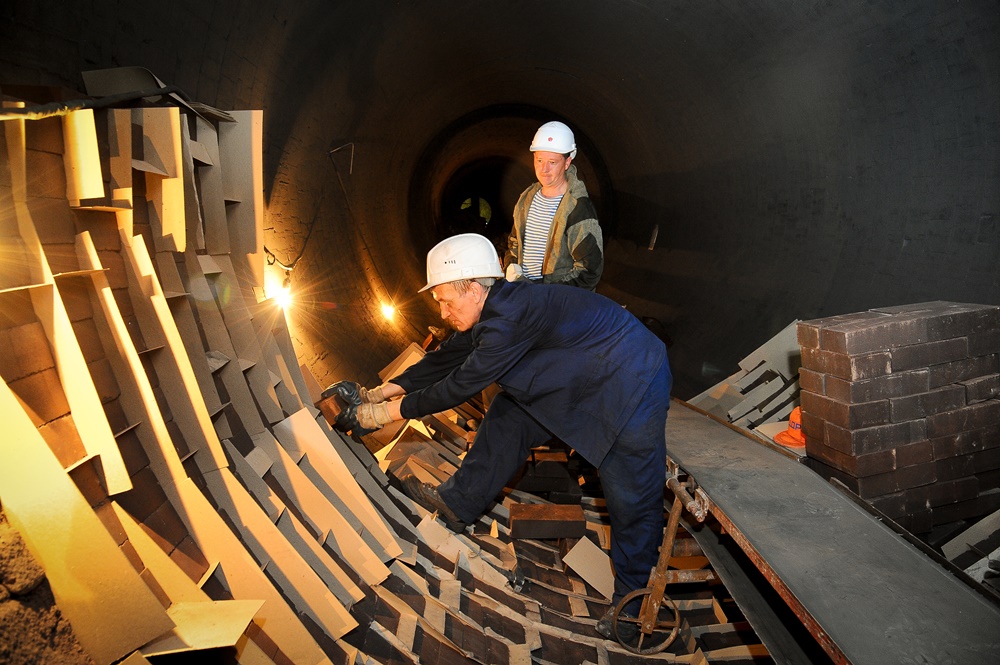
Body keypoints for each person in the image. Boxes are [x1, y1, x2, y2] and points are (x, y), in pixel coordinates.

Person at [335, 233, 671, 641]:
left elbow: (460, 384)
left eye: (445, 300)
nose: (441, 312)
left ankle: (634, 612)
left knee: (630, 497)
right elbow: (445, 359)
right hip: (579, 372)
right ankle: (460, 502)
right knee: (510, 414)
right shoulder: (493, 308)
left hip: (632, 379)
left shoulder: (509, 318)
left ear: (474, 289)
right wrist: (380, 392)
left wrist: (381, 415)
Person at [504, 121, 603, 290]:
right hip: (525, 292)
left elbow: (589, 270)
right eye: (540, 160)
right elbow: (514, 243)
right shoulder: (526, 198)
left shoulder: (577, 208)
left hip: (558, 302)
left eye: (552, 162)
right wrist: (511, 266)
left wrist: (549, 294)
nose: (544, 169)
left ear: (567, 162)